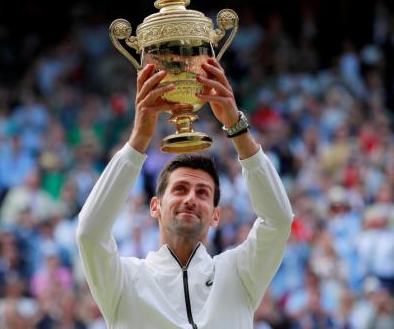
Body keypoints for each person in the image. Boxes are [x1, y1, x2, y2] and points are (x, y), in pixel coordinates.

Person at [76, 59, 293, 328]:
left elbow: (279, 221)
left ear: (216, 216)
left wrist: (237, 128)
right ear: (155, 206)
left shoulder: (238, 274)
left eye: (203, 193)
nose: (190, 198)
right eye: (180, 189)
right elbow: (90, 232)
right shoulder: (125, 281)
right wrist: (139, 138)